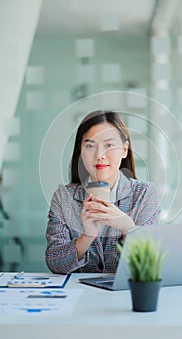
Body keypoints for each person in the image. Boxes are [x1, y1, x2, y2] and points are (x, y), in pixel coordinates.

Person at [45, 110, 160, 274]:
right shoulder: (64, 197)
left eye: (109, 145)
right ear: (81, 152)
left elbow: (151, 263)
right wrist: (87, 237)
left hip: (125, 296)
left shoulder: (144, 193)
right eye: (90, 146)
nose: (100, 155)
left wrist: (127, 226)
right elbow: (54, 262)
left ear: (124, 150)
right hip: (80, 296)